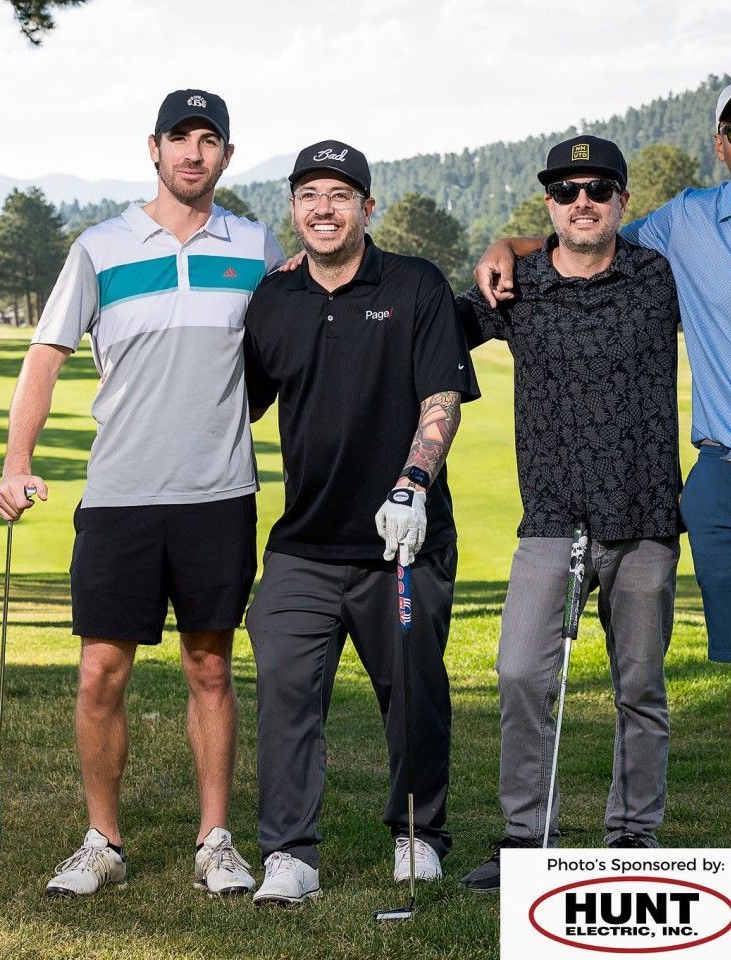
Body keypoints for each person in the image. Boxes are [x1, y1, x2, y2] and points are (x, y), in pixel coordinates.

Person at [474, 75, 731, 850]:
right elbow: (585, 240)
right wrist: (507, 245)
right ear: (719, 144)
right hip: (727, 480)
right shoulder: (689, 221)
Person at [0, 89, 284, 898]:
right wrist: (17, 462)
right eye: (180, 139)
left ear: (226, 155)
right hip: (120, 495)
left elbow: (282, 356)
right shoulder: (101, 247)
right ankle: (102, 841)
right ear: (152, 149)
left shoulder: (257, 247)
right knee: (99, 673)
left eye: (210, 140)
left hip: (219, 494)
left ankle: (216, 841)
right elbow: (45, 357)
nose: (194, 153)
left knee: (211, 669)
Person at [242, 141, 479, 905]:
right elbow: (237, 404)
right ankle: (289, 854)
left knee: (413, 692)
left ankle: (417, 831)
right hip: (304, 545)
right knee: (284, 689)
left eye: (340, 195)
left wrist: (412, 484)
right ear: (293, 208)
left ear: (366, 208)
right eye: (309, 193)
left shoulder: (413, 284)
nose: (323, 207)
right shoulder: (273, 298)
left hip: (401, 543)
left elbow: (439, 399)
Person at [451, 136, 683, 892]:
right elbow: (427, 328)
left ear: (623, 200)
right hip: (551, 517)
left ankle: (632, 838)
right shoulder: (515, 286)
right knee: (519, 672)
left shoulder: (660, 277)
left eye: (597, 189)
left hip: (645, 514)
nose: (580, 201)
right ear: (546, 204)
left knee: (639, 686)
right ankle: (527, 839)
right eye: (564, 190)